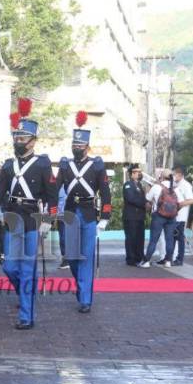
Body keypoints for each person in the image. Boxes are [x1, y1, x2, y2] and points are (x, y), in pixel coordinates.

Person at [0, 99, 57, 329]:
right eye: (16, 138)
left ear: (33, 141)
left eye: (22, 139)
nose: (18, 142)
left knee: (27, 268)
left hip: (31, 218)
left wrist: (49, 218)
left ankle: (26, 316)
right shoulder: (9, 165)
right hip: (12, 217)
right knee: (10, 267)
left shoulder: (42, 164)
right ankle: (25, 294)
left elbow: (52, 194)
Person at [56, 111, 112, 313]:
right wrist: (51, 209)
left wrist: (104, 218)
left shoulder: (96, 165)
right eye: (74, 145)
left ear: (87, 147)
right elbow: (55, 189)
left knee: (87, 257)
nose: (76, 148)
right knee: (71, 257)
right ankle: (81, 288)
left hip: (89, 214)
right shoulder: (65, 164)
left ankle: (85, 299)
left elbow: (105, 193)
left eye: (80, 146)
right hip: (70, 214)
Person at [139, 169, 180, 268]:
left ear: (161, 176)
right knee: (169, 239)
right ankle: (168, 261)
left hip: (159, 216)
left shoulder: (157, 187)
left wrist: (149, 189)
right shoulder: (176, 188)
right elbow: (179, 203)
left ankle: (147, 261)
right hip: (172, 217)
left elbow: (148, 199)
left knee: (154, 239)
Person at [122, 164, 147, 266]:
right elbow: (131, 198)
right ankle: (131, 259)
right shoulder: (128, 185)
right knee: (131, 238)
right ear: (131, 174)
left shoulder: (139, 185)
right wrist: (144, 203)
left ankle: (139, 257)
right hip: (131, 216)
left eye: (140, 172)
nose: (139, 174)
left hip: (139, 216)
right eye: (137, 172)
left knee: (140, 238)